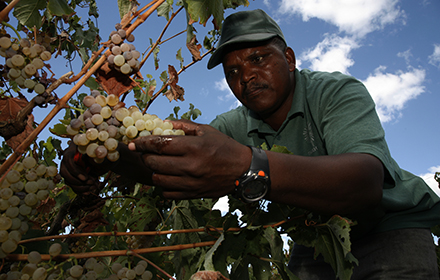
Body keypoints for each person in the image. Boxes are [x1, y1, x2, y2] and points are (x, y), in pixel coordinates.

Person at [61, 9, 440, 279]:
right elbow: (178, 160)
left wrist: (247, 165)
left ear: (289, 59)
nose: (246, 76)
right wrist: (101, 153)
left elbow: (364, 184)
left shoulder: (335, 91)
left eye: (259, 58)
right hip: (318, 238)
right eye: (233, 71)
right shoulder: (234, 124)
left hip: (391, 230)